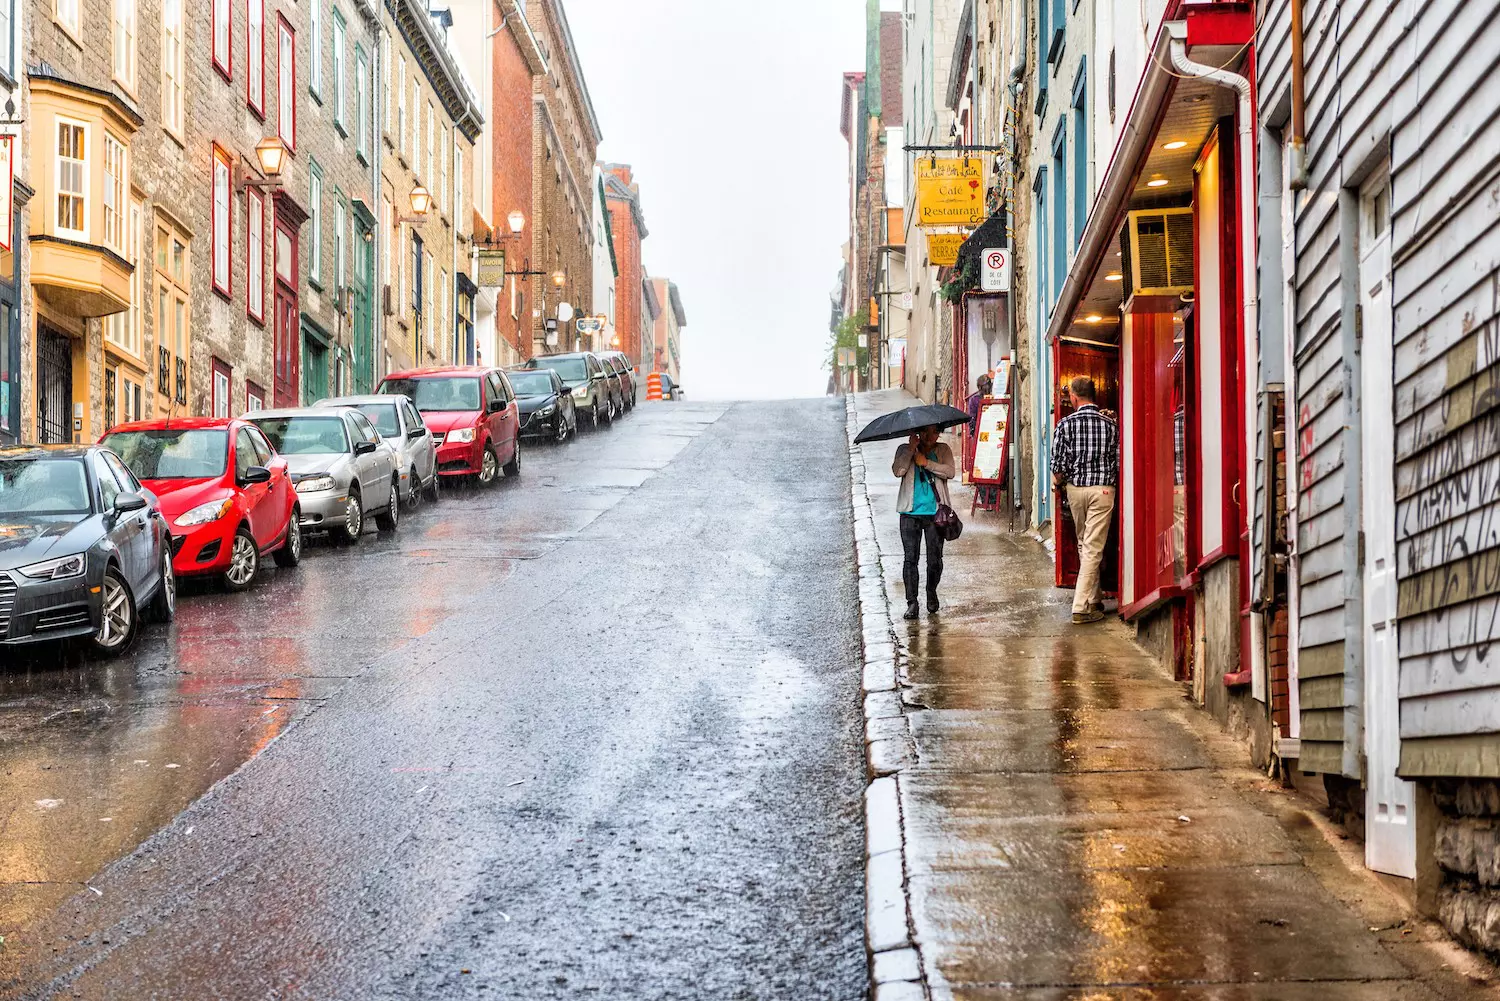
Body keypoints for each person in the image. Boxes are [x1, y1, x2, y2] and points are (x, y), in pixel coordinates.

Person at [1051, 376, 1119, 624]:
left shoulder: (1065, 425)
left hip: (1076, 489)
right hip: (1102, 490)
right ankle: (1093, 600)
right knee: (1090, 546)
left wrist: (1059, 483)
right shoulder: (1110, 425)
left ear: (1075, 397)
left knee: (1085, 544)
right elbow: (1118, 461)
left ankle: (1080, 607)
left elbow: (1057, 466)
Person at [892, 426, 955, 621]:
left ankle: (931, 592)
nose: (930, 436)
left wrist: (926, 463)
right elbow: (898, 470)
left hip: (936, 514)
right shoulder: (904, 449)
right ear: (919, 432)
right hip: (909, 513)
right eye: (925, 432)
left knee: (934, 559)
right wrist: (911, 449)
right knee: (910, 559)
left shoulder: (943, 450)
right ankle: (912, 602)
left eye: (935, 432)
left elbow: (950, 472)